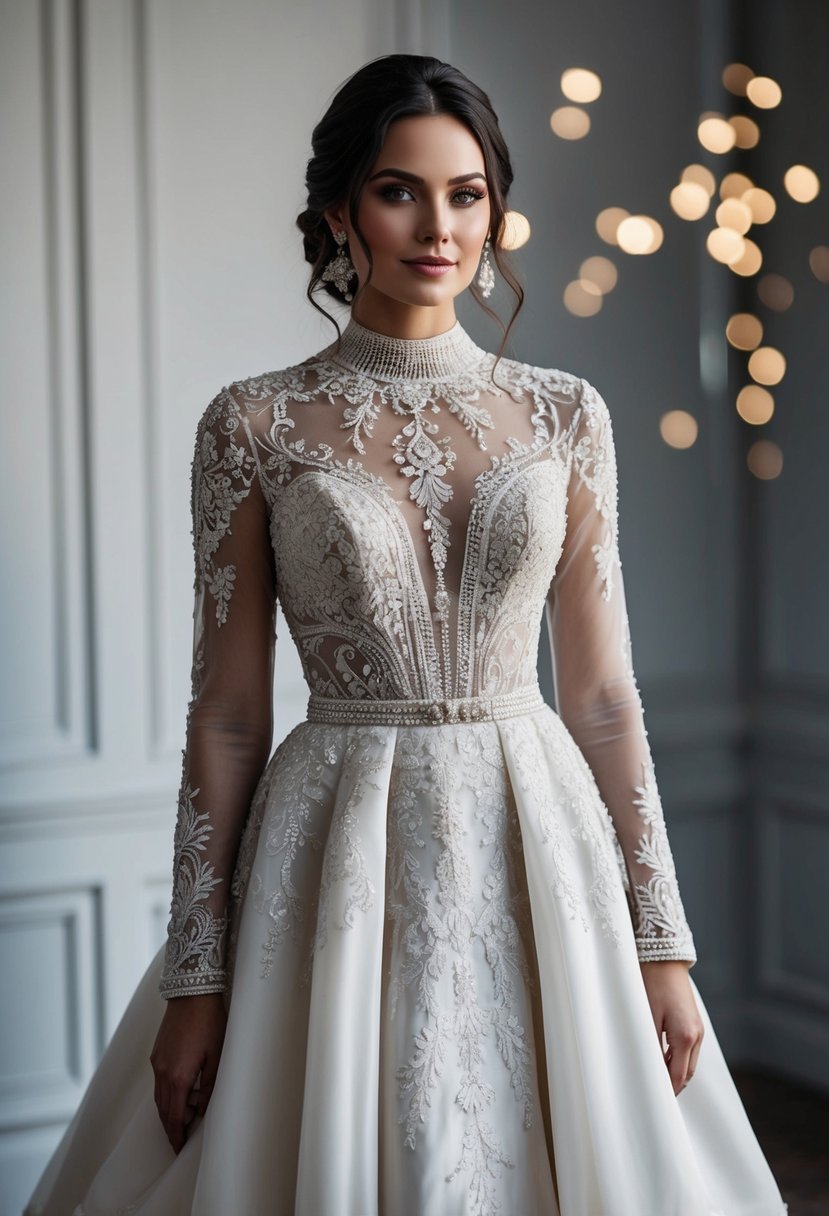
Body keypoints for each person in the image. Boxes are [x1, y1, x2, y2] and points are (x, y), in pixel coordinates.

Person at [26, 52, 787, 1216]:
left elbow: (602, 699)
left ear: (495, 207)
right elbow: (228, 714)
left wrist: (661, 946)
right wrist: (197, 976)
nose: (440, 225)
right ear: (340, 210)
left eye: (467, 193)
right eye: (400, 190)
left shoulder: (566, 413)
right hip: (334, 844)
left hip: (539, 840)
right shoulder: (254, 422)